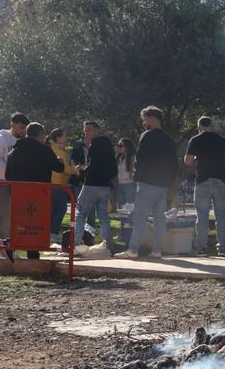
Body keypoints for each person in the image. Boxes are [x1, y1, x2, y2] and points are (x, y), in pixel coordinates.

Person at [116, 106, 177, 259]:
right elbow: (174, 162)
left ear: (152, 118)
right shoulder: (168, 138)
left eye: (145, 119)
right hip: (163, 183)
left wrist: (137, 177)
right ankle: (157, 250)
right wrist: (169, 180)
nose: (144, 122)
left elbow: (141, 159)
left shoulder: (147, 135)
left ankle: (133, 249)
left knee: (139, 217)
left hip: (148, 182)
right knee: (159, 218)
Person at [4, 122, 65, 260]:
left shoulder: (14, 152)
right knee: (36, 224)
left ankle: (12, 243)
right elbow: (59, 168)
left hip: (19, 193)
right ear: (40, 135)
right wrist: (60, 161)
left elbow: (7, 174)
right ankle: (32, 254)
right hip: (40, 194)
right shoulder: (44, 150)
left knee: (22, 222)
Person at [184, 116, 225, 256]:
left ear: (199, 126)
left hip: (203, 181)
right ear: (211, 125)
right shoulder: (221, 140)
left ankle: (201, 247)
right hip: (220, 181)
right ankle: (222, 247)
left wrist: (197, 159)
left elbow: (188, 161)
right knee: (221, 217)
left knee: (202, 217)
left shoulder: (195, 140)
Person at [0, 112, 28, 257]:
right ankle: (0, 249)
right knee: (3, 217)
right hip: (2, 182)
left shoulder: (23, 141)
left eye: (25, 128)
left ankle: (10, 248)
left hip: (17, 183)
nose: (23, 131)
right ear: (12, 125)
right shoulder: (0, 139)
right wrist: (9, 170)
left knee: (14, 218)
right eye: (21, 127)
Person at [74, 127, 118, 253]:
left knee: (81, 214)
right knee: (103, 216)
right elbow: (114, 171)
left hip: (91, 184)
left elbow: (92, 165)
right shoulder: (110, 153)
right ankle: (107, 244)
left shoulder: (95, 146)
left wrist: (82, 172)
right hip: (105, 186)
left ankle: (77, 243)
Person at [47, 127, 74, 244]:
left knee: (55, 209)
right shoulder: (56, 150)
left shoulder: (60, 149)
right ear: (58, 138)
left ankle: (50, 233)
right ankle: (53, 233)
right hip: (57, 183)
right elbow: (64, 168)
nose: (67, 138)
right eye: (65, 136)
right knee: (61, 208)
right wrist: (75, 170)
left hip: (59, 183)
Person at [114, 137, 137, 208]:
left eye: (121, 146)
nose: (118, 147)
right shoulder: (118, 158)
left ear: (127, 146)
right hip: (119, 185)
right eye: (118, 146)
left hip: (130, 185)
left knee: (130, 208)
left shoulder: (133, 157)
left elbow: (135, 171)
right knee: (121, 208)